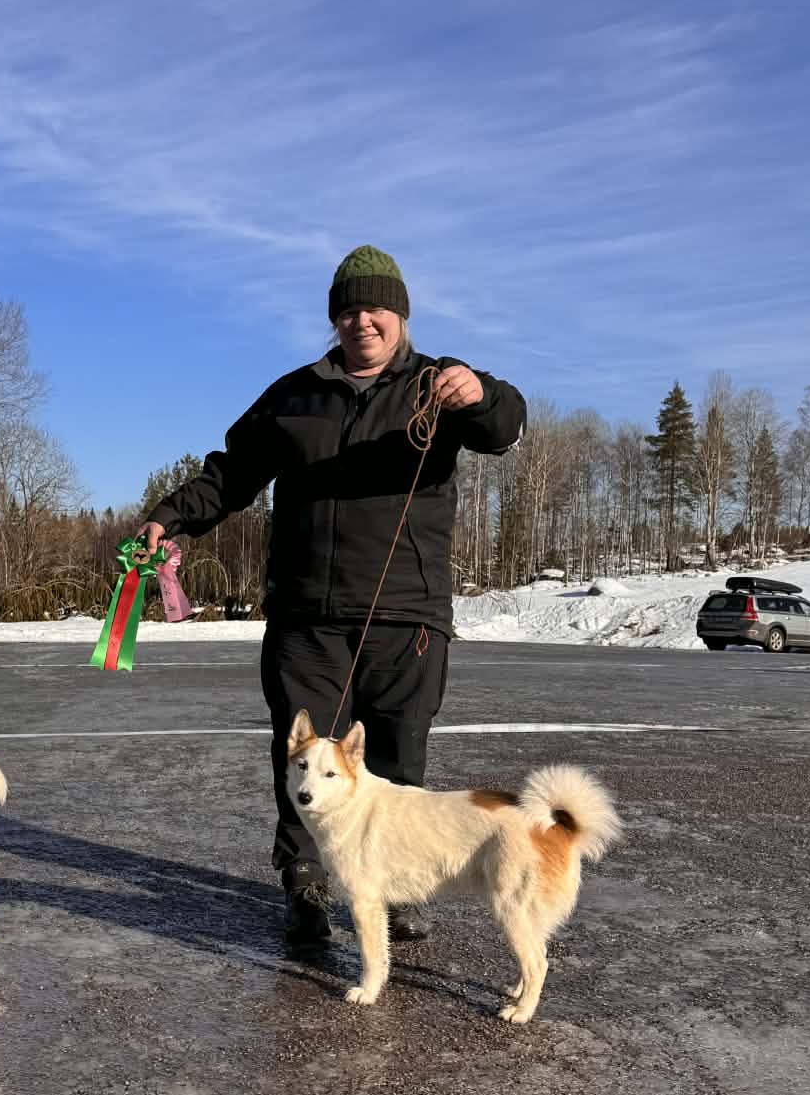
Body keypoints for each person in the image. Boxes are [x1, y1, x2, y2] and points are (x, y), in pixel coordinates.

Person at [140, 245, 526, 944]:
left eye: (375, 307)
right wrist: (169, 518)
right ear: (333, 320)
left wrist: (483, 392)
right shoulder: (295, 396)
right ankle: (307, 883)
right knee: (304, 757)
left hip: (406, 617)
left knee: (399, 763)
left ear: (400, 314)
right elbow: (229, 475)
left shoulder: (436, 385)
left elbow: (503, 428)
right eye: (347, 309)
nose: (362, 320)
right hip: (307, 620)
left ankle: (402, 888)